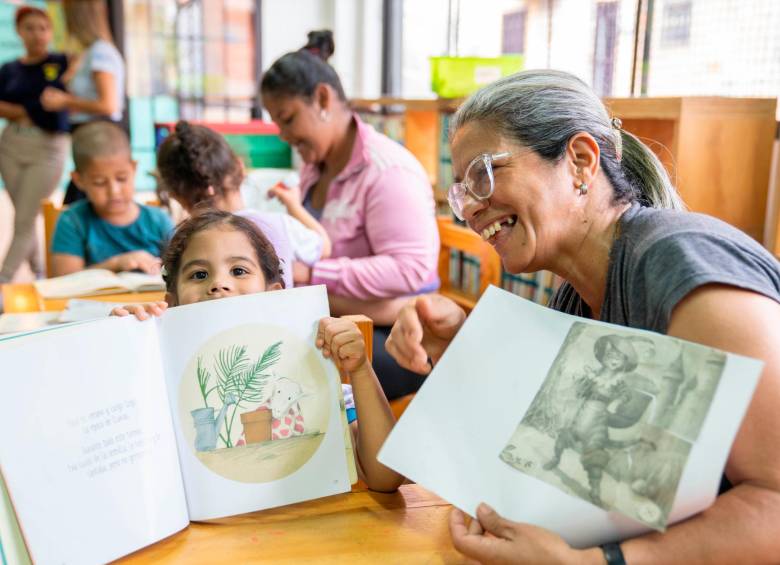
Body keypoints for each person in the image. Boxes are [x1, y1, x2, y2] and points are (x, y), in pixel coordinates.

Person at [385, 69, 780, 563]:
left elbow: (774, 503)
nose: (471, 208)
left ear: (580, 161)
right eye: (464, 189)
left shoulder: (682, 264)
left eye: (484, 172)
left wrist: (595, 562)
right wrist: (466, 347)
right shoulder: (576, 293)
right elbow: (563, 447)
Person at [112, 210, 403, 492]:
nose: (218, 284)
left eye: (238, 270)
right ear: (172, 302)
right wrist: (123, 353)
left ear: (274, 294)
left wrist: (361, 370)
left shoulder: (316, 380)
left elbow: (386, 478)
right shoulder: (160, 380)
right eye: (199, 274)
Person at [261, 45, 440, 400]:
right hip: (336, 317)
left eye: (288, 118)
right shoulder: (316, 166)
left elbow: (411, 269)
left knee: (286, 379)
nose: (283, 135)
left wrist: (314, 276)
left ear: (323, 99)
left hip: (393, 333)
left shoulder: (388, 171)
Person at [155, 120, 330, 290]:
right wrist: (294, 206)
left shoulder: (184, 239)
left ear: (175, 195)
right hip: (279, 319)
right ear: (240, 166)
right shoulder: (280, 225)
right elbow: (323, 247)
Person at [0, 6, 70, 284]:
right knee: (24, 216)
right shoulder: (9, 69)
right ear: (19, 32)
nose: (37, 34)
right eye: (30, 28)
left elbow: (55, 105)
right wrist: (30, 109)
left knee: (25, 219)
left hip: (48, 148)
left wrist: (21, 108)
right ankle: (40, 272)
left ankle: (4, 281)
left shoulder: (62, 62)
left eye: (43, 28)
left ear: (51, 32)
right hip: (12, 145)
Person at [50, 121, 173, 276]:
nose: (114, 191)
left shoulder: (158, 221)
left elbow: (180, 272)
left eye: (121, 178)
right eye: (99, 183)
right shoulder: (72, 222)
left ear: (133, 169)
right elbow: (64, 280)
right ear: (79, 180)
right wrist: (115, 264)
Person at [40, 0, 125, 205]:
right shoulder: (88, 53)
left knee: (81, 205)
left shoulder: (100, 52)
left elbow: (108, 105)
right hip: (85, 138)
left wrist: (65, 101)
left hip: (99, 140)